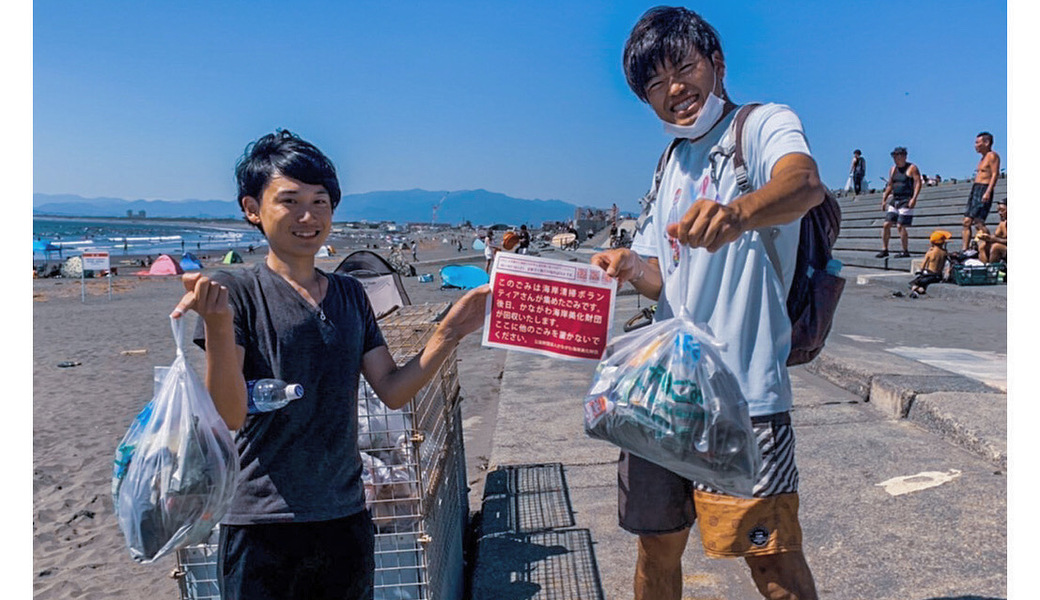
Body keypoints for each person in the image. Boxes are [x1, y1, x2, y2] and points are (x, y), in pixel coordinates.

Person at [169, 129, 489, 600]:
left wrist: (450, 332)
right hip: (262, 523)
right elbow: (230, 414)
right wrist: (217, 325)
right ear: (252, 209)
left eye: (321, 202)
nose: (308, 216)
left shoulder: (349, 294)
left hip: (345, 517)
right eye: (290, 200)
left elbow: (392, 389)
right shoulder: (236, 291)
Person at [592, 7, 823, 599]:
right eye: (653, 85)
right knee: (656, 550)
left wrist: (737, 213)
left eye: (684, 68)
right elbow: (660, 279)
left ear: (717, 64)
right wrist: (626, 266)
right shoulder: (669, 160)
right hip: (664, 397)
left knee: (771, 564)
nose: (674, 90)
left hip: (746, 399)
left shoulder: (763, 125)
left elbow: (803, 184)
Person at [876, 146, 922, 258]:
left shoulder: (912, 168)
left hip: (906, 199)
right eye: (894, 156)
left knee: (900, 225)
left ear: (904, 156)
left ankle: (905, 250)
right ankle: (884, 249)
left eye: (897, 156)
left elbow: (918, 183)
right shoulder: (893, 169)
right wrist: (884, 199)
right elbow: (890, 185)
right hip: (895, 199)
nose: (895, 158)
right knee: (886, 224)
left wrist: (914, 198)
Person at [961, 132, 1001, 251]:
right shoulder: (982, 158)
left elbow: (995, 174)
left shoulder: (992, 156)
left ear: (986, 143)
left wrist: (988, 191)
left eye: (978, 142)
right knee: (966, 221)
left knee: (978, 222)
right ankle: (965, 249)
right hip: (976, 188)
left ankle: (990, 243)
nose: (975, 145)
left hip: (984, 188)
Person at [906, 230, 951, 298]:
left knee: (913, 283)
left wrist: (921, 271)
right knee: (923, 284)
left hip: (930, 275)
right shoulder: (944, 252)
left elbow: (923, 266)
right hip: (938, 276)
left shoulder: (930, 253)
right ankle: (919, 290)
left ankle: (917, 290)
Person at [976, 198, 1007, 264]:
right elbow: (995, 236)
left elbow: (996, 239)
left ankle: (992, 270)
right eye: (998, 211)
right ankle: (984, 268)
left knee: (996, 247)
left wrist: (995, 239)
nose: (1000, 213)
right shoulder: (1002, 223)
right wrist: (986, 236)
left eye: (1002, 210)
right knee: (983, 245)